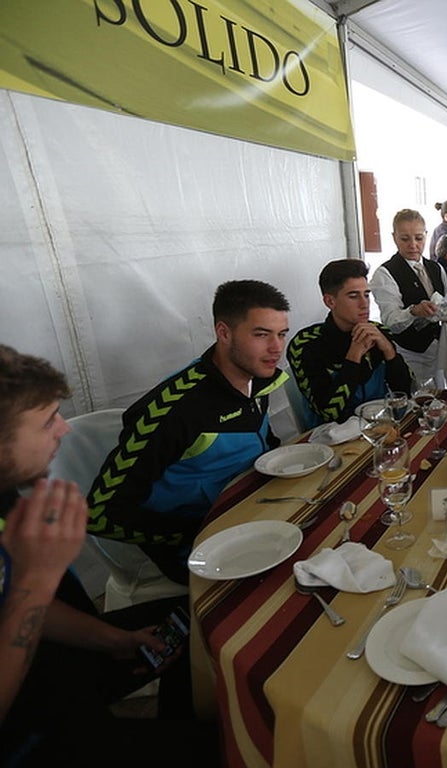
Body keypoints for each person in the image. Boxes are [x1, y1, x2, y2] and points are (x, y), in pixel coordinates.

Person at [0, 345, 217, 766]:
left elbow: (23, 606)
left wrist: (114, 640)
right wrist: (37, 579)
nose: (64, 429)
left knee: (194, 622)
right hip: (24, 728)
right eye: (47, 421)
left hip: (51, 656)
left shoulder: (7, 496)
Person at [87, 280, 290, 583]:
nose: (276, 348)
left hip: (254, 513)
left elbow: (264, 443)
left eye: (281, 334)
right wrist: (196, 531)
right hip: (201, 550)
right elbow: (100, 513)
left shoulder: (259, 377)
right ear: (224, 332)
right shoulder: (174, 409)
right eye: (261, 335)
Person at [287, 260, 413, 428]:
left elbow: (406, 392)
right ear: (330, 302)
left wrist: (388, 350)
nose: (364, 303)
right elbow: (331, 413)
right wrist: (354, 355)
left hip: (381, 427)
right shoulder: (306, 345)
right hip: (332, 439)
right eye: (353, 296)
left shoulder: (378, 332)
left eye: (366, 295)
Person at [369, 208, 447, 384]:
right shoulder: (385, 273)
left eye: (419, 238)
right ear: (394, 237)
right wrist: (413, 312)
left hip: (439, 348)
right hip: (409, 352)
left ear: (426, 235)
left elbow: (446, 302)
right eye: (405, 239)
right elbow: (390, 320)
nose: (413, 245)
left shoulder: (436, 268)